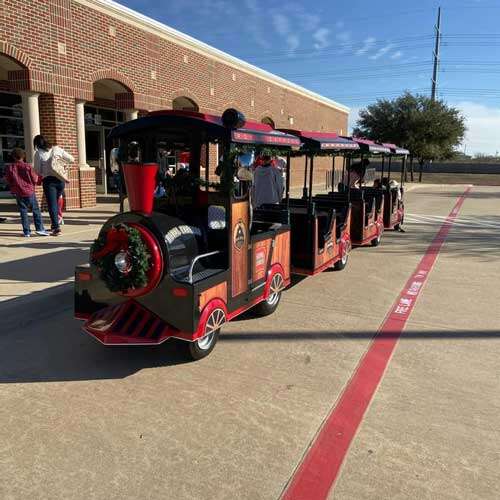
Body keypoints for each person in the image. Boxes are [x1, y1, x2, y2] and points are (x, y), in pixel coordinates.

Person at [33, 135, 74, 236]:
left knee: (52, 205)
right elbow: (71, 159)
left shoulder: (38, 153)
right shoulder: (57, 149)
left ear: (37, 144)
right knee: (55, 202)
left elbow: (37, 170)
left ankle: (56, 228)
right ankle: (57, 221)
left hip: (49, 181)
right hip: (60, 180)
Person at [5, 148, 49, 237]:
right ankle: (40, 229)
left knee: (23, 211)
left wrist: (13, 186)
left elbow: (8, 180)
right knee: (35, 210)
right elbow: (34, 179)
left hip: (18, 192)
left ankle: (26, 231)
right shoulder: (28, 166)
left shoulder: (10, 167)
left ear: (13, 157)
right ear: (23, 156)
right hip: (29, 191)